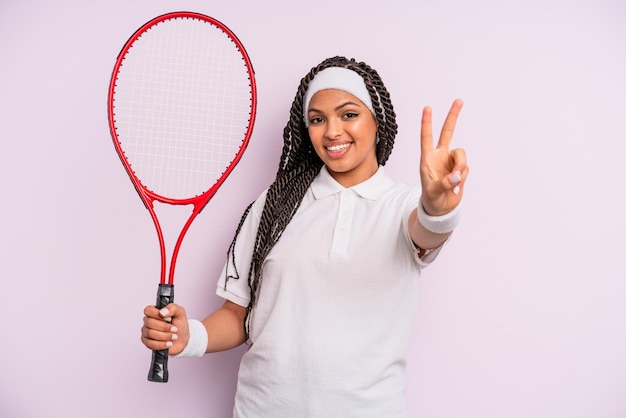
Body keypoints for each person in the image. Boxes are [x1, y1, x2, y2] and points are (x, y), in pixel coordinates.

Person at [141, 55, 469, 417]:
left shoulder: (404, 206)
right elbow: (238, 315)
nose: (331, 131)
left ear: (378, 120)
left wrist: (438, 207)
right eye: (317, 119)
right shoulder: (274, 206)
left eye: (348, 114)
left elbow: (427, 232)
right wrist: (190, 337)